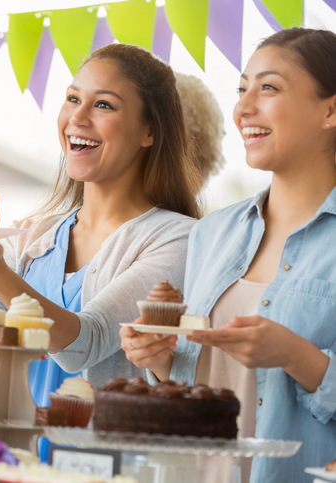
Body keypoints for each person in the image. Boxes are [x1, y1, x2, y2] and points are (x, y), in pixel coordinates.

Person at [0, 44, 200, 456]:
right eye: (72, 99)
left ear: (149, 131)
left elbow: (84, 342)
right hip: (19, 463)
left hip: (105, 471)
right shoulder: (36, 234)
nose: (77, 119)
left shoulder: (178, 238)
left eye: (103, 104)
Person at [121, 27, 336, 483]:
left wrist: (297, 355)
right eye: (242, 90)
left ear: (331, 111)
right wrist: (160, 360)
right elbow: (194, 381)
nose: (243, 108)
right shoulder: (212, 234)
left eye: (269, 88)